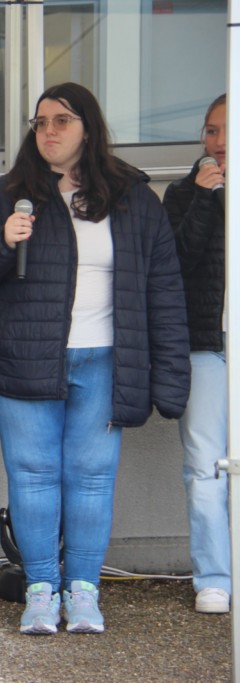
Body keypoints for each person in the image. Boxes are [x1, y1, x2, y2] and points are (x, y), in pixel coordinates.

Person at [0, 82, 190, 635]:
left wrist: (170, 377)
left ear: (88, 128)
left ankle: (83, 591)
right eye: (40, 122)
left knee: (92, 478)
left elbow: (164, 290)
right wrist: (3, 241)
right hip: (24, 359)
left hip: (106, 361)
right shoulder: (10, 194)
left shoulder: (133, 197)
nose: (49, 131)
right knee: (33, 476)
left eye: (62, 120)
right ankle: (41, 590)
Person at [163, 93, 230, 614]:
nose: (219, 141)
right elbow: (176, 265)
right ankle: (214, 577)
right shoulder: (183, 193)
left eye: (229, 130)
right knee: (205, 465)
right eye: (211, 130)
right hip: (206, 345)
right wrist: (207, 199)